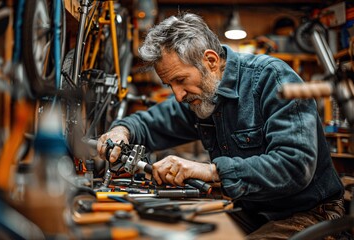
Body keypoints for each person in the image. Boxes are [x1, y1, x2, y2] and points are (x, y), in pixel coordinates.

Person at [97, 13, 346, 239]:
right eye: (169, 85)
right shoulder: (199, 96)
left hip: (312, 213)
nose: (178, 95)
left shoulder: (274, 79)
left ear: (211, 61)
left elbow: (294, 165)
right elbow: (148, 123)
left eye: (180, 80)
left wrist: (209, 171)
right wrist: (121, 131)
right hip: (255, 209)